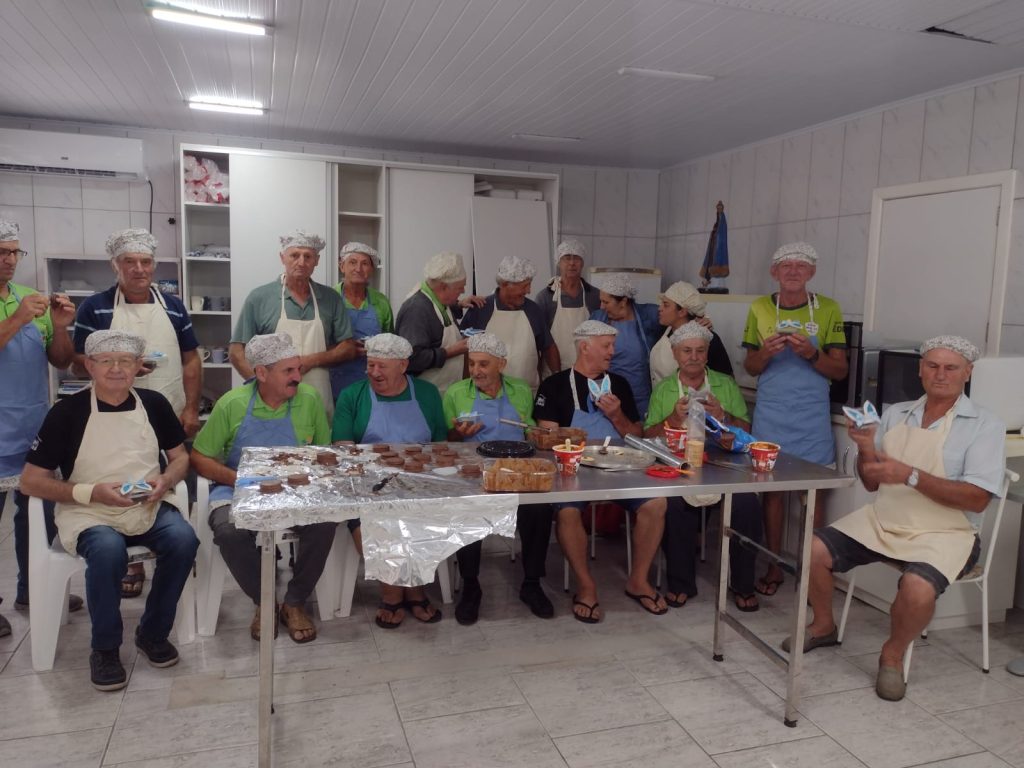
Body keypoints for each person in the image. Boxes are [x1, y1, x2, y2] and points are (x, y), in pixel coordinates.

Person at [786, 336, 1004, 702]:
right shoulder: (896, 413)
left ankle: (892, 654)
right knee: (812, 548)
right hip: (885, 519)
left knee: (917, 588)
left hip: (946, 531)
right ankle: (823, 625)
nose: (940, 374)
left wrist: (910, 475)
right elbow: (872, 482)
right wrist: (865, 449)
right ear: (920, 370)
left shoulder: (984, 425)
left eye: (951, 368)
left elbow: (978, 500)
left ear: (967, 373)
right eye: (932, 365)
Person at [20, 330, 198, 692]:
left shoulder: (154, 404)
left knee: (184, 540)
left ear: (138, 366)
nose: (116, 368)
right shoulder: (66, 412)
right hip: (89, 511)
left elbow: (180, 458)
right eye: (106, 361)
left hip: (147, 506)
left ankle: (152, 633)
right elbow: (30, 482)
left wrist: (166, 480)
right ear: (89, 366)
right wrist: (92, 493)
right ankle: (104, 648)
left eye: (125, 361)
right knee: (107, 550)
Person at [73, 228, 201, 599]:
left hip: (168, 405)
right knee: (122, 473)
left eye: (145, 261)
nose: (139, 269)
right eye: (129, 262)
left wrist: (191, 407)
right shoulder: (95, 307)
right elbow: (80, 362)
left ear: (154, 265)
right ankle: (131, 562)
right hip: (115, 411)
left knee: (167, 477)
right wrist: (122, 366)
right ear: (115, 266)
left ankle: (172, 550)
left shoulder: (173, 306)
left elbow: (191, 359)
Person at [191, 333, 336, 643]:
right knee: (228, 530)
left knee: (325, 522)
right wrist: (239, 479)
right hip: (238, 486)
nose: (298, 377)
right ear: (261, 373)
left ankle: (295, 601)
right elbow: (199, 458)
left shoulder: (309, 399)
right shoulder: (232, 404)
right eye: (288, 371)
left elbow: (322, 453)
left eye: (298, 369)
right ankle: (265, 601)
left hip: (296, 489)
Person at [533, 320, 668, 622]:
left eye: (612, 345)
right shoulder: (554, 386)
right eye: (607, 346)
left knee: (656, 503)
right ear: (585, 347)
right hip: (573, 471)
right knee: (568, 512)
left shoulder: (619, 384)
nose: (612, 351)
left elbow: (636, 435)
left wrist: (616, 415)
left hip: (622, 468)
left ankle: (638, 580)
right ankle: (586, 586)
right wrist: (571, 439)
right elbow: (546, 442)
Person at [742, 242, 847, 597]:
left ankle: (813, 571)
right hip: (772, 411)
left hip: (811, 416)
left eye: (801, 266)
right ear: (774, 272)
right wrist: (766, 353)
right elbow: (750, 366)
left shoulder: (828, 309)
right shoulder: (759, 308)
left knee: (812, 493)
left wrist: (811, 353)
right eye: (786, 266)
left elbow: (840, 370)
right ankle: (774, 565)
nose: (793, 272)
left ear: (811, 272)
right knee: (772, 493)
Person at [643, 321, 762, 611]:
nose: (694, 357)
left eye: (700, 351)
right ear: (675, 354)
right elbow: (648, 436)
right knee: (674, 505)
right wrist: (673, 418)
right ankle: (681, 583)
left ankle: (743, 584)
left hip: (723, 464)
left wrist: (724, 416)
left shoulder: (725, 384)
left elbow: (747, 429)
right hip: (680, 465)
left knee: (747, 504)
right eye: (687, 351)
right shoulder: (664, 389)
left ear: (708, 354)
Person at [332, 333, 447, 628]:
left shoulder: (427, 394)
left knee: (421, 517)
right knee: (374, 522)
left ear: (403, 366)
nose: (374, 373)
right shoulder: (352, 395)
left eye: (382, 366)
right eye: (370, 365)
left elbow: (439, 445)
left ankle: (412, 588)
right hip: (368, 485)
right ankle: (395, 591)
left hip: (419, 482)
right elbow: (343, 447)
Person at [0, 219, 80, 635]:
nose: (10, 260)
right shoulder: (21, 308)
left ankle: (34, 589)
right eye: (2, 252)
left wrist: (61, 326)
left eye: (15, 252)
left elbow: (60, 360)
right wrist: (16, 319)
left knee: (38, 516)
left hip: (31, 424)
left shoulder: (29, 297)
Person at [442, 332, 555, 624]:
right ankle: (471, 586)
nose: (476, 370)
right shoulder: (456, 393)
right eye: (472, 364)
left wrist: (538, 434)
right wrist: (459, 434)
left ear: (501, 364)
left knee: (540, 510)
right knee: (468, 510)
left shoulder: (520, 390)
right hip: (475, 472)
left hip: (518, 471)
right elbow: (446, 440)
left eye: (484, 364)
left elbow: (529, 429)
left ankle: (532, 583)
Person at [230, 230, 355, 419]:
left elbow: (348, 348)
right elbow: (236, 351)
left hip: (318, 400)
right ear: (282, 258)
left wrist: (310, 361)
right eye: (294, 255)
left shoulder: (331, 298)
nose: (301, 262)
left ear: (317, 261)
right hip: (271, 401)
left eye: (308, 256)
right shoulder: (260, 298)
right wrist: (260, 384)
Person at [462, 255, 559, 393]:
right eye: (524, 286)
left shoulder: (533, 310)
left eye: (529, 285)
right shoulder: (481, 309)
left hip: (527, 392)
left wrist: (557, 377)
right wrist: (466, 389)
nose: (529, 291)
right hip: (486, 395)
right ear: (505, 284)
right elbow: (464, 352)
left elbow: (548, 347)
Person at [394, 251, 481, 396]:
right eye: (460, 287)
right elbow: (412, 358)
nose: (463, 291)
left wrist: (458, 304)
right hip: (425, 394)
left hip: (444, 390)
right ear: (443, 287)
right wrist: (451, 351)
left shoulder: (436, 299)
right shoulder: (416, 310)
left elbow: (437, 317)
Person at [589, 275, 661, 415]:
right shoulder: (597, 318)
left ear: (623, 301)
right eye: (601, 301)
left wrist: (701, 319)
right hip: (608, 396)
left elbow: (679, 315)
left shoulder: (648, 314)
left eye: (606, 302)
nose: (601, 306)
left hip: (641, 396)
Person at [330, 241, 393, 400]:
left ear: (371, 269)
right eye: (352, 262)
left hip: (372, 380)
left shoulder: (381, 302)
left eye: (365, 264)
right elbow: (318, 343)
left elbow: (390, 341)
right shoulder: (329, 299)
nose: (358, 269)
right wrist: (344, 349)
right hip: (334, 381)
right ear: (341, 266)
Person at [534, 239, 601, 372]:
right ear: (558, 262)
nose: (572, 263)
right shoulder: (545, 297)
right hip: (554, 372)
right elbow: (538, 339)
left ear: (582, 263)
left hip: (588, 370)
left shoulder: (595, 295)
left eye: (576, 258)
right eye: (567, 258)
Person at [649, 281, 733, 386]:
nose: (659, 308)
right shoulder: (663, 330)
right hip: (661, 393)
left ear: (682, 312)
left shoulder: (708, 339)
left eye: (666, 305)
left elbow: (726, 380)